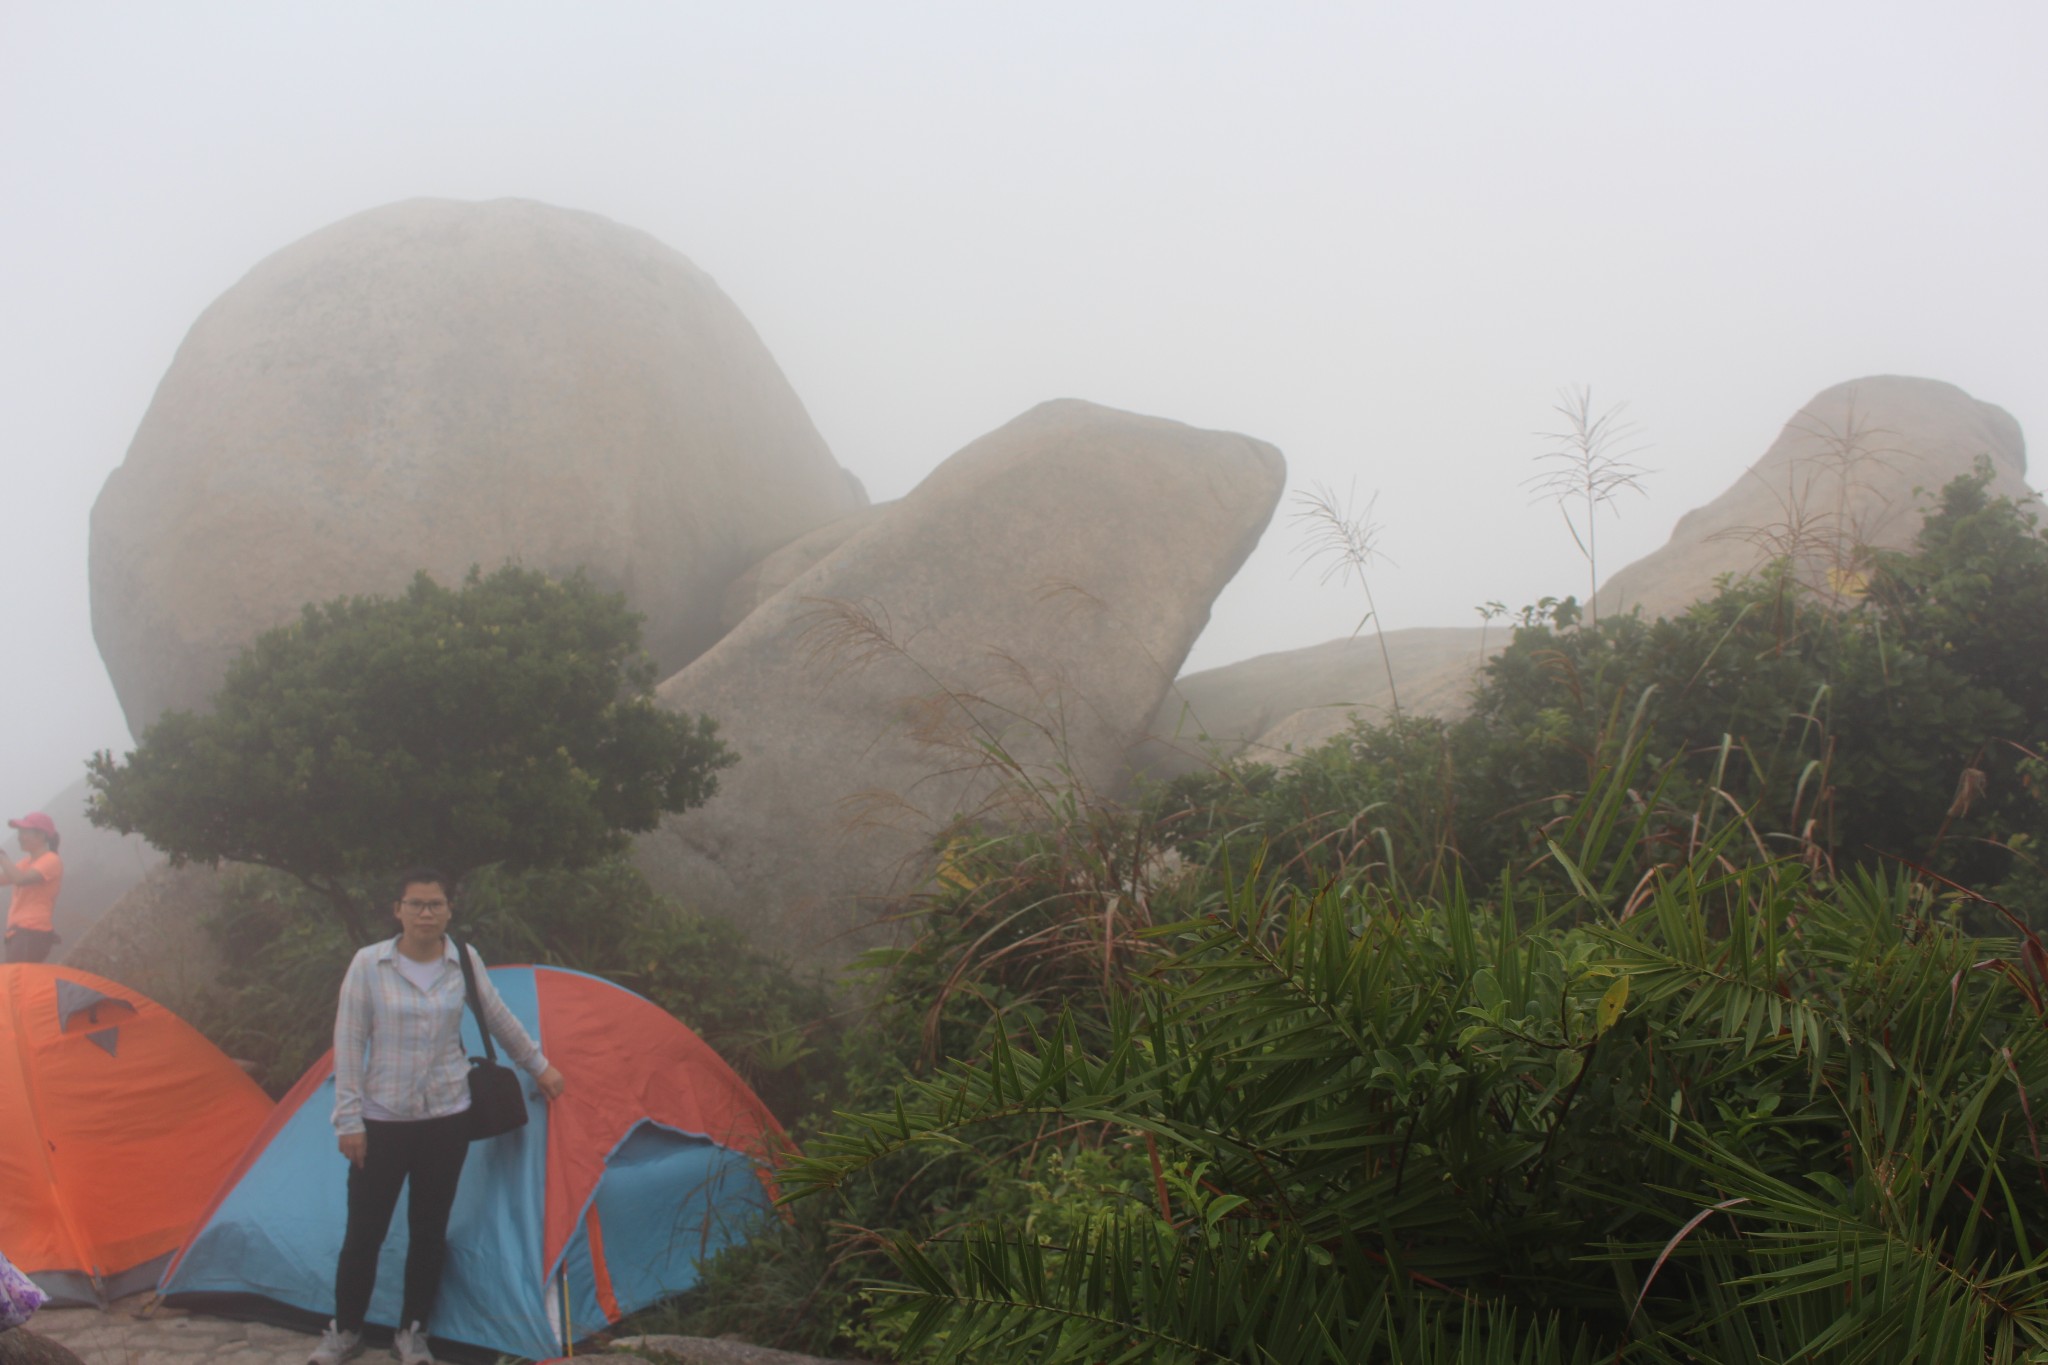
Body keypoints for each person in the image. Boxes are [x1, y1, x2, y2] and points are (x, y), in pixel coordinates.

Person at [310, 869, 566, 1365]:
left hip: (447, 1119)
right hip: (381, 1121)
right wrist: (349, 1121)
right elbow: (348, 1042)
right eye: (415, 904)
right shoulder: (369, 964)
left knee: (429, 1231)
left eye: (435, 904)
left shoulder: (463, 961)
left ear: (449, 910)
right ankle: (345, 1331)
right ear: (397, 910)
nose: (425, 913)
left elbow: (498, 1017)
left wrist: (540, 1066)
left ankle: (413, 1333)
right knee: (365, 1232)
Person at [1, 812, 63, 965]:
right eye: (19, 832)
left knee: (16, 984)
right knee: (16, 984)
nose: (20, 837)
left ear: (41, 835)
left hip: (31, 931)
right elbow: (4, 878)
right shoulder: (28, 862)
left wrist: (2, 856)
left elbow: (20, 879)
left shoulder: (51, 860)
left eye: (24, 832)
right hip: (20, 933)